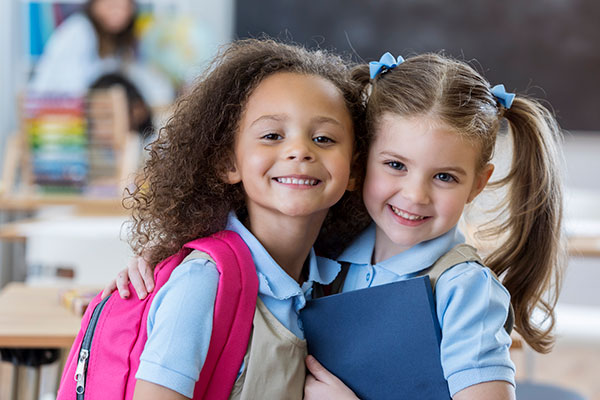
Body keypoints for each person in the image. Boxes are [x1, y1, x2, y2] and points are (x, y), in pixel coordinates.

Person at [103, 38, 368, 399]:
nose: (299, 151)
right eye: (272, 135)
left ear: (353, 169)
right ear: (228, 162)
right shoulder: (203, 284)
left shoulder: (331, 281)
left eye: (323, 138)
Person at [300, 52, 565, 399]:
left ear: (477, 185)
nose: (415, 195)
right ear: (360, 160)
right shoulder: (327, 255)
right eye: (396, 165)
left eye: (444, 176)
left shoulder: (465, 290)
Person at [28, 0, 174, 109]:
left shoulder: (118, 44)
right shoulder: (79, 31)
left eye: (124, 4)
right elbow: (71, 93)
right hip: (58, 124)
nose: (117, 7)